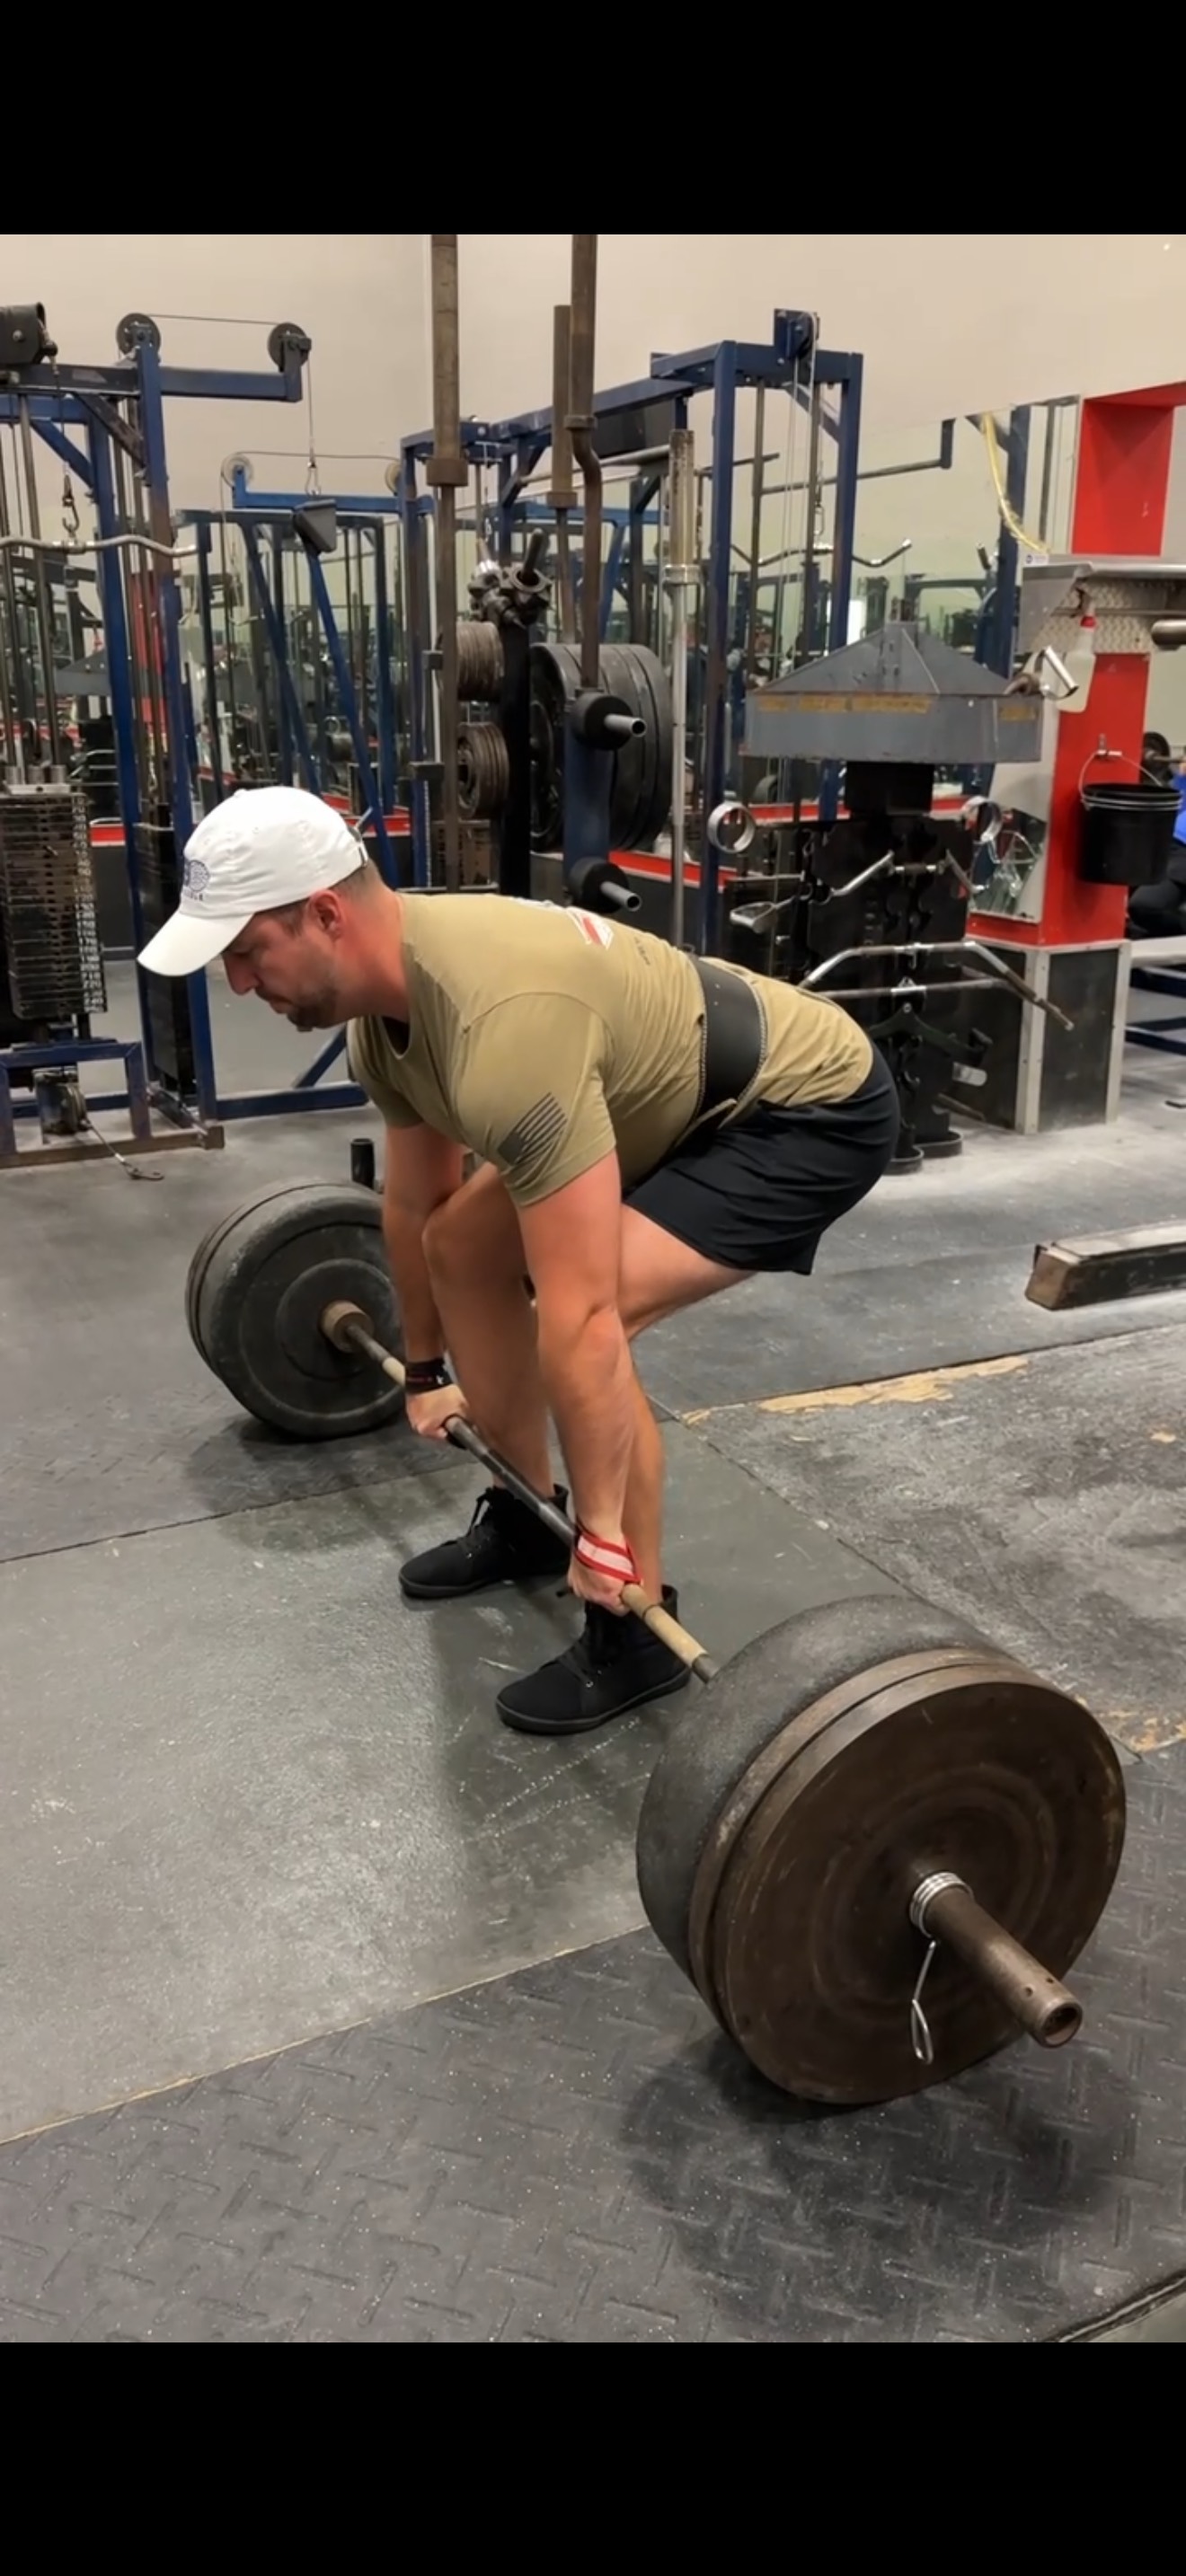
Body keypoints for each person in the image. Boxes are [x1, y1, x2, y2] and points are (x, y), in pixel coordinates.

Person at [140, 786, 899, 1737]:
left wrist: (608, 1536)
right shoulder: (386, 1024)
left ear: (325, 913)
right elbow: (417, 1207)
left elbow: (582, 1320)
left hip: (797, 1108)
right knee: (463, 1241)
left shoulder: (502, 1034)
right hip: (651, 1087)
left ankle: (629, 1622)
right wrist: (421, 1372)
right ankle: (523, 1503)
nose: (241, 984)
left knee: (596, 1312)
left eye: (246, 953)